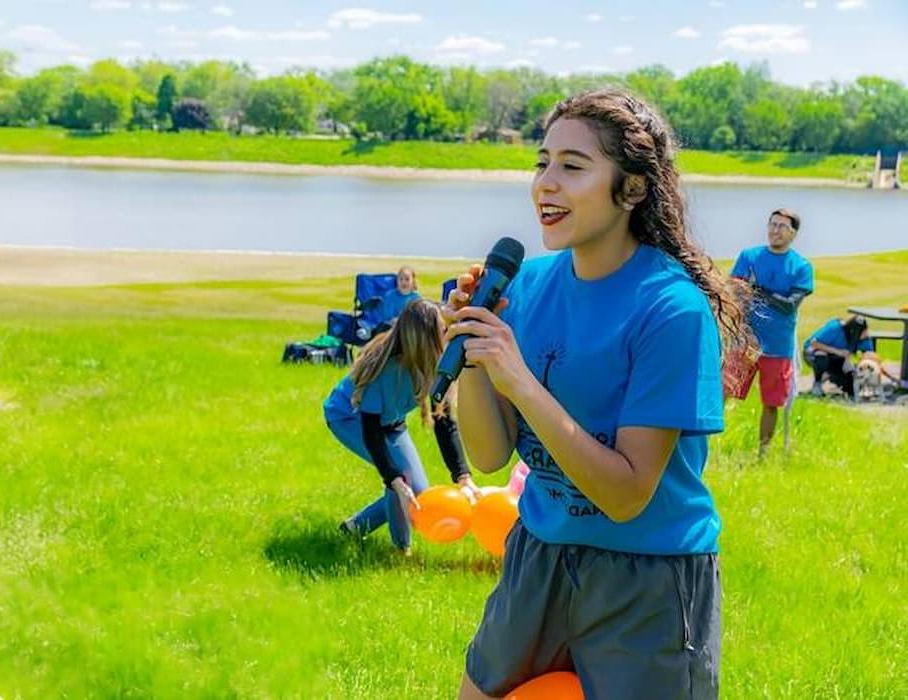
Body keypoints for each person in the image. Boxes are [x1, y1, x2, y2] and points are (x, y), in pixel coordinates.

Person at [447, 90, 753, 699]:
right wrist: (477, 355)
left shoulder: (671, 309)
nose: (546, 185)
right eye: (542, 163)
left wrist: (521, 381)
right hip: (540, 553)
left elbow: (626, 494)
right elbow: (488, 458)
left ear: (633, 189)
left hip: (648, 577)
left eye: (573, 166)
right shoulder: (528, 285)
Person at [323, 298, 480, 555]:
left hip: (391, 422)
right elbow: (371, 431)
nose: (447, 334)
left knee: (418, 493)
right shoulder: (385, 370)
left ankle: (354, 528)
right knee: (400, 481)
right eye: (442, 330)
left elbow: (444, 422)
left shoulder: (435, 363)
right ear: (423, 339)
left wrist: (464, 477)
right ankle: (401, 551)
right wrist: (393, 477)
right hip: (350, 418)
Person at [728, 209, 814, 454]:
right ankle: (706, 447)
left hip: (777, 347)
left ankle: (762, 453)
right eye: (772, 224)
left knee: (771, 403)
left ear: (793, 233)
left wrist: (757, 288)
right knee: (722, 393)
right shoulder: (749, 256)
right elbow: (735, 292)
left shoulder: (801, 267)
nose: (775, 230)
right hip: (745, 342)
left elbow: (789, 306)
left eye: (782, 227)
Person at [803, 315, 874, 397]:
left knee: (852, 386)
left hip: (837, 359)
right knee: (821, 354)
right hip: (813, 353)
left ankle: (829, 375)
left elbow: (870, 355)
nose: (863, 334)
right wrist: (838, 352)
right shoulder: (835, 328)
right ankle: (817, 384)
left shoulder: (864, 337)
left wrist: (860, 366)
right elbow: (814, 343)